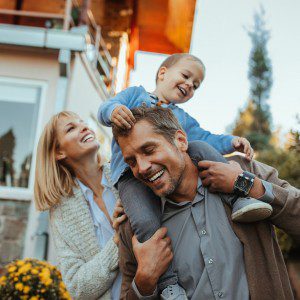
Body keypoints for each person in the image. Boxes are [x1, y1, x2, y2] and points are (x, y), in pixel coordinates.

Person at [98, 53, 272, 298]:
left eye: (196, 85)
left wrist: (232, 141)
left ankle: (238, 198)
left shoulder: (182, 119)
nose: (190, 85)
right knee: (145, 222)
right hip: (130, 178)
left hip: (171, 168)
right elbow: (105, 107)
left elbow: (207, 138)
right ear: (162, 73)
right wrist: (114, 111)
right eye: (186, 76)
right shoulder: (134, 94)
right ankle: (169, 283)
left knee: (201, 148)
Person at [113, 105, 299, 300]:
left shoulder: (241, 171)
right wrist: (144, 282)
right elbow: (127, 292)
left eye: (149, 150)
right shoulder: (134, 227)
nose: (142, 168)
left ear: (181, 141)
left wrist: (246, 185)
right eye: (132, 162)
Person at [34, 111, 127, 300]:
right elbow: (76, 288)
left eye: (83, 122)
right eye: (71, 128)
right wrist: (118, 241)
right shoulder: (62, 213)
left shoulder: (125, 175)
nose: (84, 127)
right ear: (59, 152)